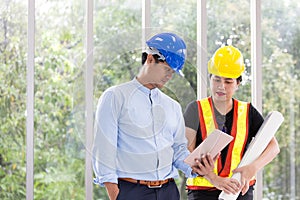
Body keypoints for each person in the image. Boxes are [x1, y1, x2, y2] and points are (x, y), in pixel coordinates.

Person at [92, 32, 204, 200]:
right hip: (132, 191)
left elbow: (179, 149)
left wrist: (195, 166)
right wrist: (115, 194)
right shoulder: (115, 96)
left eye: (172, 72)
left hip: (169, 191)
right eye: (167, 69)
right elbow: (104, 149)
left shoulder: (172, 106)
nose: (169, 76)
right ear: (150, 59)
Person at [183, 45, 280, 200]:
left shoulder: (248, 112)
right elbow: (187, 152)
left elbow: (273, 147)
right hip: (202, 192)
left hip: (238, 192)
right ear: (210, 79)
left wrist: (253, 167)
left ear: (238, 83)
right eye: (216, 79)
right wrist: (213, 178)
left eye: (228, 81)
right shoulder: (195, 109)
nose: (221, 86)